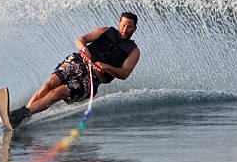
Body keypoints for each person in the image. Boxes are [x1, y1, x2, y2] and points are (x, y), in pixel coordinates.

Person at [8, 12, 140, 128]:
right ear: (118, 24)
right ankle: (22, 116)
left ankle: (20, 114)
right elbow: (80, 40)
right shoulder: (104, 31)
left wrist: (107, 67)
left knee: (58, 92)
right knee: (50, 84)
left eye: (129, 26)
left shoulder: (133, 51)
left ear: (134, 28)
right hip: (78, 61)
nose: (125, 29)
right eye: (123, 25)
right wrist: (84, 48)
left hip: (91, 79)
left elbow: (124, 73)